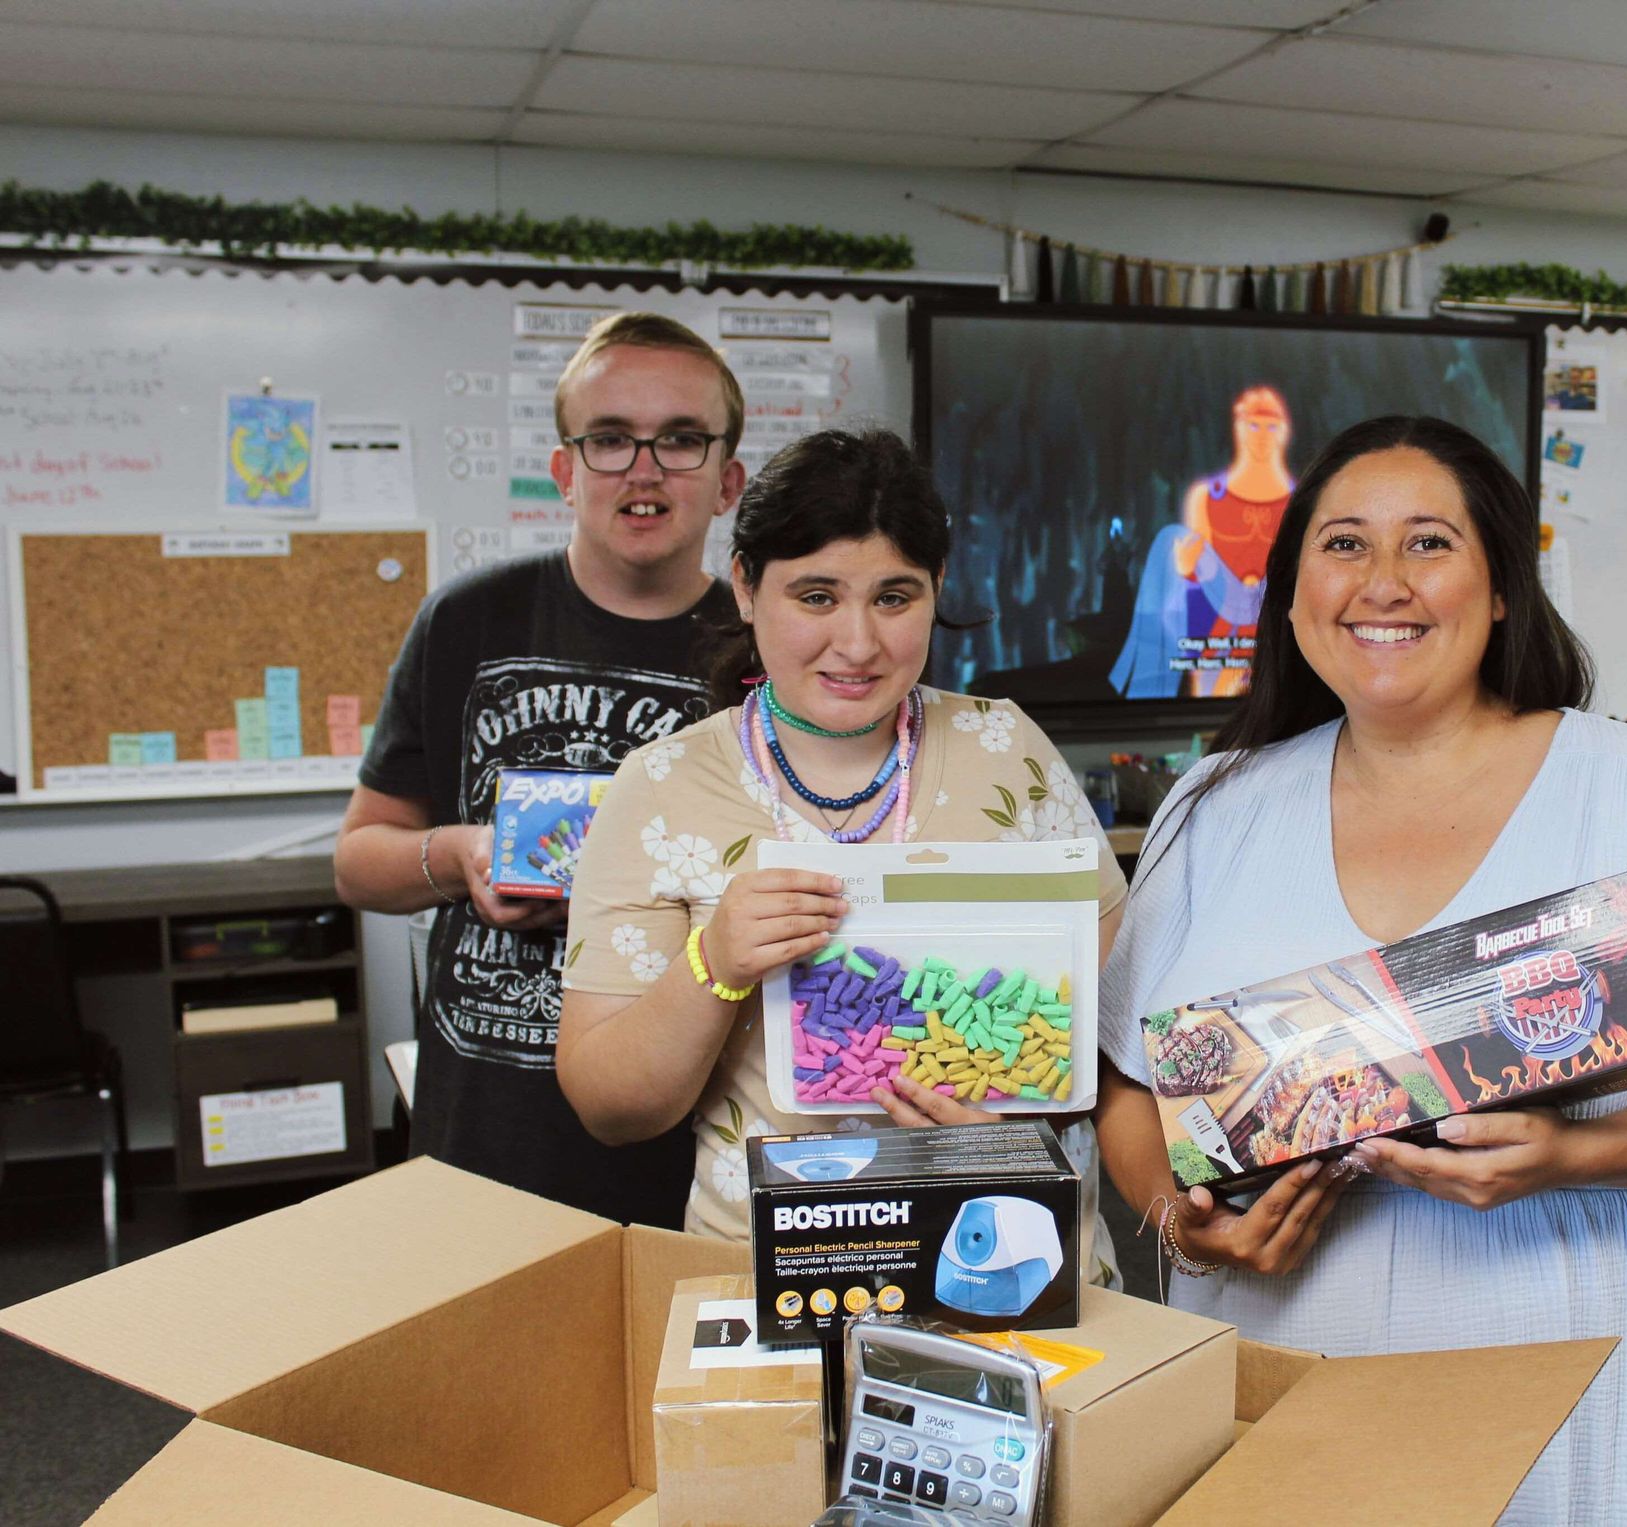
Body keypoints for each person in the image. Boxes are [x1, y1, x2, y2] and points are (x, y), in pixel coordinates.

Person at [1094, 416, 1627, 1523]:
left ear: (1497, 592)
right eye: (1341, 546)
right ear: (1290, 596)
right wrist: (1173, 1218)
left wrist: (1572, 1154)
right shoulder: (1215, 807)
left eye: (1427, 545)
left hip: (1561, 1335)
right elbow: (1130, 1085)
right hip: (1284, 1330)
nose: (1380, 583)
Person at [555, 427, 1129, 1276]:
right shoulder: (664, 786)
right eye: (816, 596)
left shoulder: (1007, 747)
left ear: (935, 589)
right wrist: (714, 962)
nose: (858, 643)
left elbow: (1121, 1022)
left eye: (894, 597)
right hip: (781, 1275)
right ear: (746, 588)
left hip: (1018, 1254)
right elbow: (610, 1105)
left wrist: (1028, 1112)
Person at [334, 311, 746, 1225]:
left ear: (728, 481)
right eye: (610, 439)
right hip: (484, 1133)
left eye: (681, 439)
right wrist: (460, 856)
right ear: (565, 469)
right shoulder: (467, 621)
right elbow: (359, 858)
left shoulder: (766, 656)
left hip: (689, 1143)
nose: (644, 469)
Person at [1111, 386, 1295, 699]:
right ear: (1238, 427)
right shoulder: (1206, 498)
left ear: (1283, 431)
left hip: (1284, 640)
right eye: (1253, 424)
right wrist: (1187, 571)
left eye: (1271, 426)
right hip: (1218, 638)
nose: (1262, 435)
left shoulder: (1301, 500)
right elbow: (1194, 586)